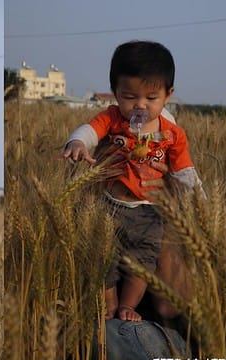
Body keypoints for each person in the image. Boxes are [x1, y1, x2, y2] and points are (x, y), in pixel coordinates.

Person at [63, 41, 202, 322]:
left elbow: (186, 171)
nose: (140, 105)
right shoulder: (114, 119)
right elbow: (90, 130)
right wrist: (77, 142)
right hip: (110, 207)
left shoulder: (172, 133)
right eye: (129, 97)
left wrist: (197, 203)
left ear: (168, 95)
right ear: (115, 93)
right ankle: (110, 303)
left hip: (149, 213)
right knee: (103, 258)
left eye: (151, 98)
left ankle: (128, 306)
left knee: (144, 261)